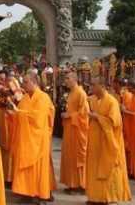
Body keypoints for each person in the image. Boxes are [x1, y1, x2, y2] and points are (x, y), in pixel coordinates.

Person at [8, 72, 56, 204]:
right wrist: (13, 113)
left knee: (38, 167)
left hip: (38, 139)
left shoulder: (43, 97)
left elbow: (38, 118)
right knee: (26, 166)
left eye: (26, 82)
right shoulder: (24, 98)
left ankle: (40, 194)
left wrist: (18, 113)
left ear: (34, 82)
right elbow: (21, 114)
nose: (23, 85)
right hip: (25, 139)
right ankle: (27, 192)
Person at [86, 76, 131, 203]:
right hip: (95, 141)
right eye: (91, 85)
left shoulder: (112, 101)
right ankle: (94, 197)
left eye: (93, 85)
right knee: (94, 168)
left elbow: (114, 122)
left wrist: (97, 117)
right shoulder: (93, 100)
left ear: (102, 86)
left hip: (108, 142)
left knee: (108, 168)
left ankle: (108, 197)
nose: (91, 88)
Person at [60, 72, 89, 194]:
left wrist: (69, 115)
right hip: (70, 129)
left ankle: (80, 185)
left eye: (67, 78)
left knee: (77, 158)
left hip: (77, 131)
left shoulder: (81, 93)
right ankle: (72, 183)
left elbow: (84, 113)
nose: (65, 80)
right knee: (69, 157)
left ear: (74, 79)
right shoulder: (71, 93)